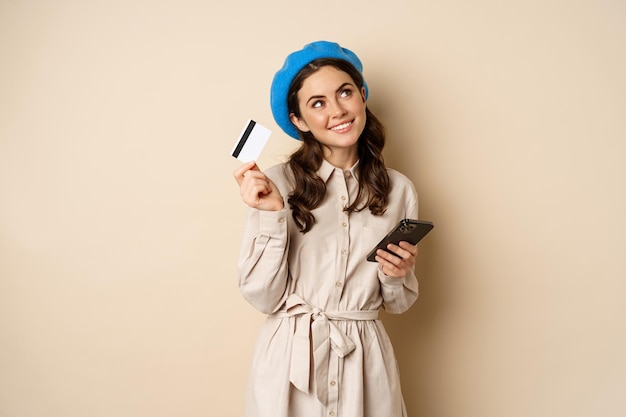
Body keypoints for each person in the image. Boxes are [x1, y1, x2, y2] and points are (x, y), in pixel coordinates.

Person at [233, 40, 420, 417]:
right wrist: (272, 214)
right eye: (317, 103)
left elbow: (398, 303)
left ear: (362, 95)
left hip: (365, 365)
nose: (337, 111)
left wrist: (396, 274)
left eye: (345, 92)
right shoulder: (275, 184)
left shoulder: (399, 190)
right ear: (299, 120)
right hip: (289, 363)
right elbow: (262, 298)